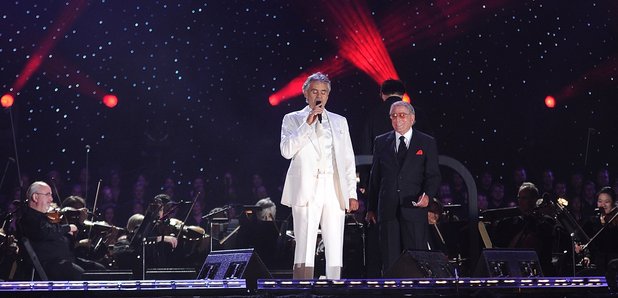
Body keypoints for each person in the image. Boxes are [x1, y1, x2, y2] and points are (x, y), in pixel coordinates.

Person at [280, 72, 359, 280]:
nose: (319, 95)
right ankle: (303, 286)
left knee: (334, 240)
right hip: (307, 188)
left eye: (323, 92)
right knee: (305, 240)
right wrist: (307, 123)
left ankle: (334, 283)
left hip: (333, 186)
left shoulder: (340, 121)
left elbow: (348, 160)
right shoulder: (292, 119)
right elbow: (286, 150)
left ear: (328, 96)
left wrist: (352, 194)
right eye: (315, 91)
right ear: (306, 93)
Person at [366, 100, 441, 275]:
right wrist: (370, 208)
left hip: (414, 209)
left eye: (402, 115)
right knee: (390, 261)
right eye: (393, 116)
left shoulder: (426, 142)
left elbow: (433, 175)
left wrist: (428, 197)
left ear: (412, 118)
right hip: (388, 210)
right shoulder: (381, 141)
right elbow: (375, 177)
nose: (397, 119)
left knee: (416, 260)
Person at [18, 181, 83, 280]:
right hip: (51, 266)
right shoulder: (30, 218)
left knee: (99, 270)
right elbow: (45, 232)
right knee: (85, 276)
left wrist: (69, 234)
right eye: (48, 195)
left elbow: (55, 235)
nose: (51, 199)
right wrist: (68, 227)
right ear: (35, 197)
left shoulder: (43, 218)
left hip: (64, 262)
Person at [492, 182, 556, 275]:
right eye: (519, 198)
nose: (520, 201)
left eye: (524, 198)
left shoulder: (546, 222)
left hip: (541, 270)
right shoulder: (510, 223)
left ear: (534, 200)